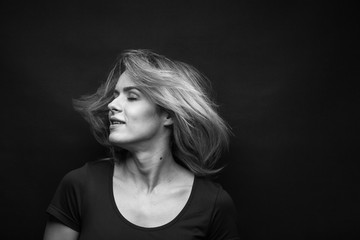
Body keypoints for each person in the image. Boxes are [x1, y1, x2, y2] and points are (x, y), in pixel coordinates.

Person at [43, 49, 239, 240]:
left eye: (132, 97)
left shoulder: (212, 204)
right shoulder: (80, 185)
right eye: (115, 95)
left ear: (168, 115)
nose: (112, 105)